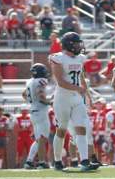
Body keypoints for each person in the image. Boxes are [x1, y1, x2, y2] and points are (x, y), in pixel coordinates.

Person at [50, 31, 98, 171]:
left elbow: (81, 76)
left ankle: (84, 161)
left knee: (81, 128)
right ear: (69, 45)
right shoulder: (58, 58)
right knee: (62, 130)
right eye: (76, 44)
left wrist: (87, 93)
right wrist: (79, 88)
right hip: (62, 98)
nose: (79, 47)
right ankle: (57, 160)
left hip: (77, 98)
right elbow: (60, 81)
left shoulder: (80, 58)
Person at [22, 63, 51, 169]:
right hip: (41, 111)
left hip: (33, 111)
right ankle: (42, 162)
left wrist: (32, 101)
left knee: (39, 139)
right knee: (43, 138)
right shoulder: (40, 81)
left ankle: (29, 161)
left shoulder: (29, 81)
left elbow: (23, 94)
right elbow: (41, 96)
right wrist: (50, 102)